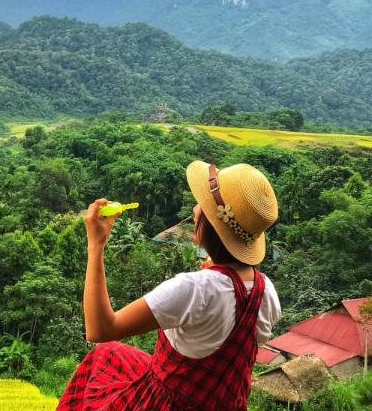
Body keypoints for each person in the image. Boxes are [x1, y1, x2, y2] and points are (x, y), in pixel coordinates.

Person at [57, 161, 281, 411]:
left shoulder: (194, 290)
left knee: (104, 353)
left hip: (166, 403)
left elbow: (99, 329)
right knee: (110, 353)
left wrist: (96, 244)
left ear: (210, 222)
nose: (195, 208)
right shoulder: (267, 292)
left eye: (202, 204)